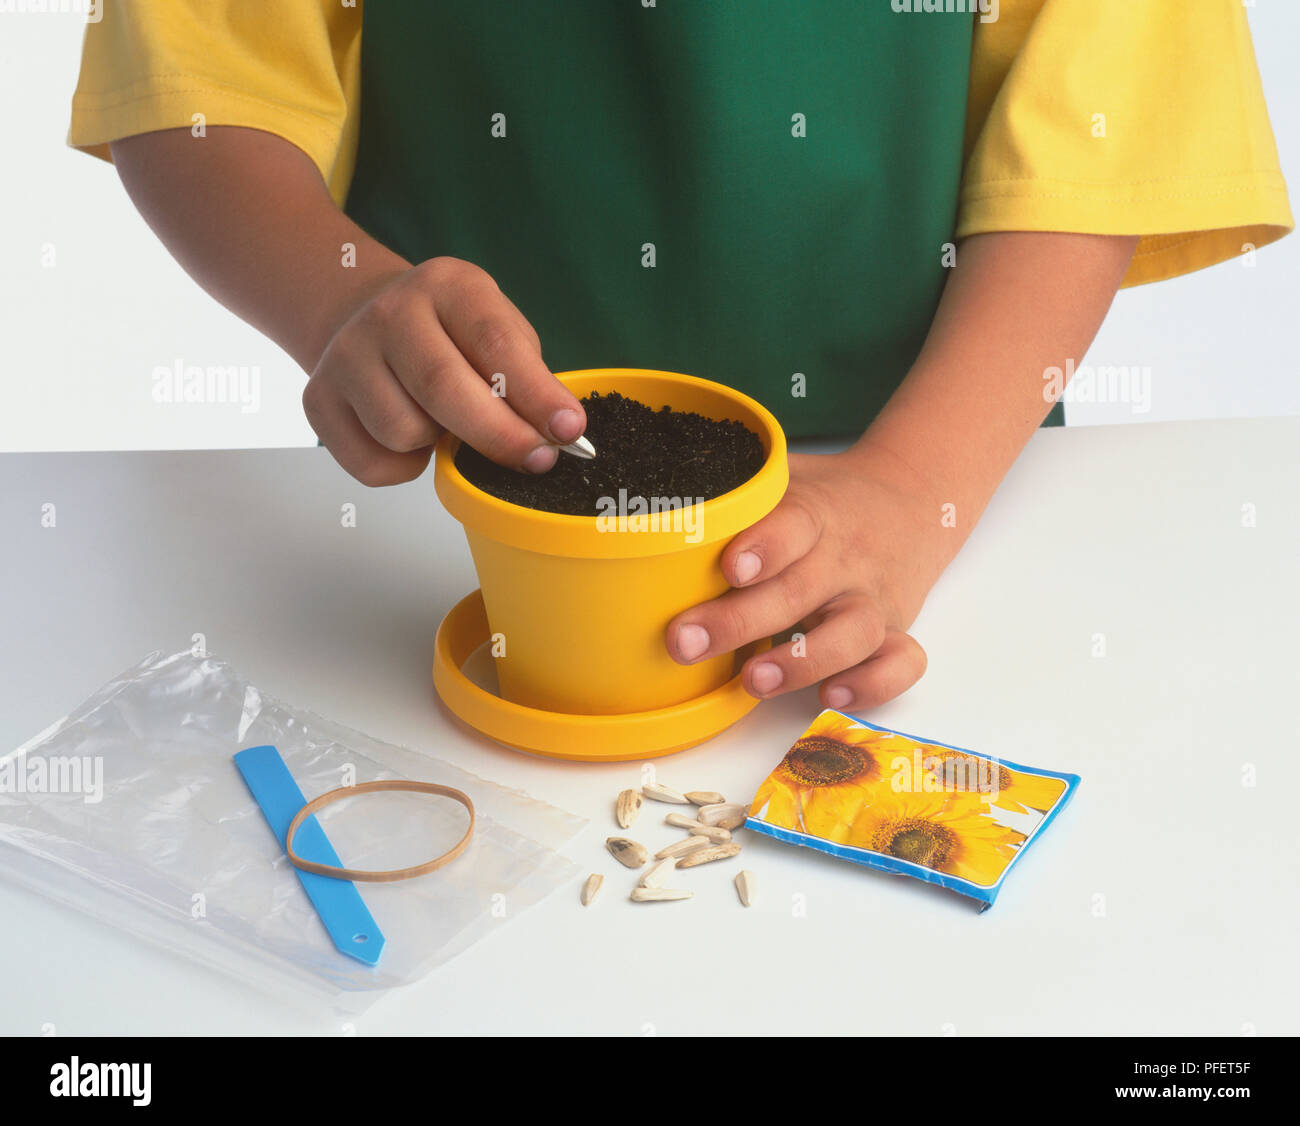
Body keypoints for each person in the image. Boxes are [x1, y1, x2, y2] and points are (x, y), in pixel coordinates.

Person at [68, 1, 1292, 712]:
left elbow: (1096, 134)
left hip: (913, 509)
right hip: (444, 536)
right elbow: (196, 80)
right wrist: (345, 300)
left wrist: (913, 491)